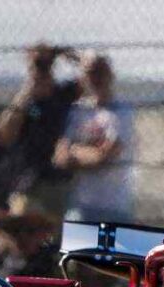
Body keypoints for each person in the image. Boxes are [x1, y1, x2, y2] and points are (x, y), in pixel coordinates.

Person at [0, 43, 80, 225]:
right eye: (38, 63)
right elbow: (2, 134)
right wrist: (27, 92)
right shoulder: (25, 101)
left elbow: (93, 77)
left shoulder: (64, 94)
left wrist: (67, 55)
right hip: (27, 181)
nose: (42, 68)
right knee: (25, 228)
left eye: (46, 63)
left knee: (57, 234)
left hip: (58, 180)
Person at [53, 52, 133, 223]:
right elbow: (60, 157)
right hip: (79, 208)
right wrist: (89, 152)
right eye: (90, 72)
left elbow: (104, 156)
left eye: (100, 72)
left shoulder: (121, 111)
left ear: (110, 75)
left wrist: (75, 151)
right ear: (82, 78)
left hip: (113, 208)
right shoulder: (77, 111)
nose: (96, 78)